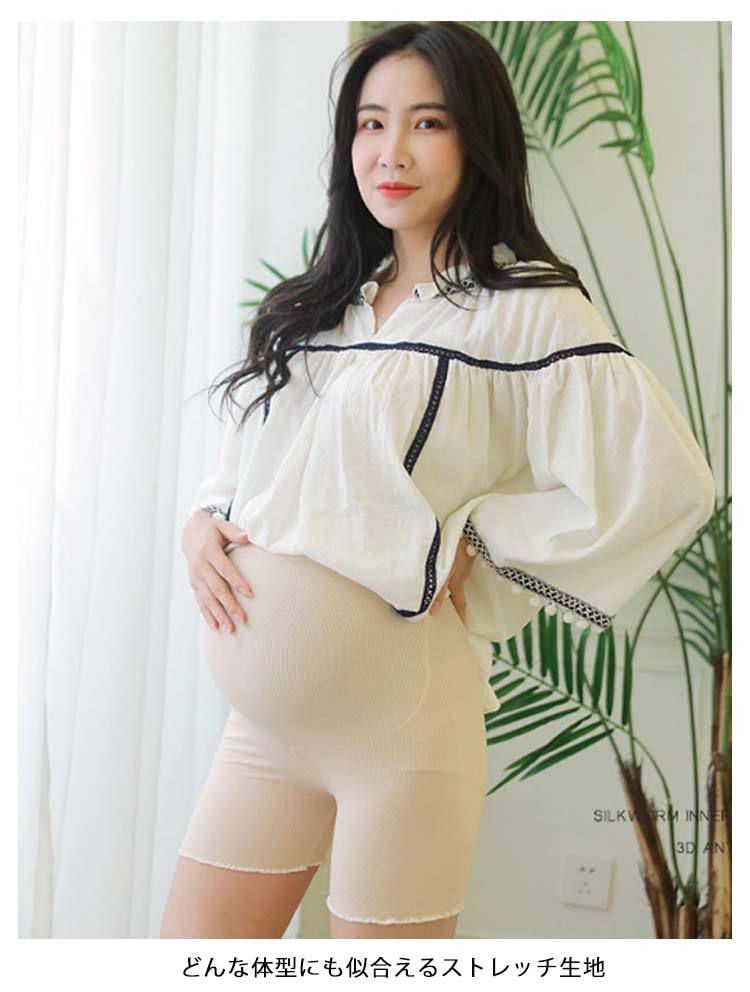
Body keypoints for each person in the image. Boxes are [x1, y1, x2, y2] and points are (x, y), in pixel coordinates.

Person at [160, 22, 716, 940]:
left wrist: (482, 537)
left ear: (477, 138)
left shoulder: (529, 308)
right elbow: (252, 463)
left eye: (428, 123)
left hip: (402, 730)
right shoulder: (322, 305)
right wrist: (201, 524)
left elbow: (667, 484)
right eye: (371, 123)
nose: (392, 152)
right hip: (262, 733)